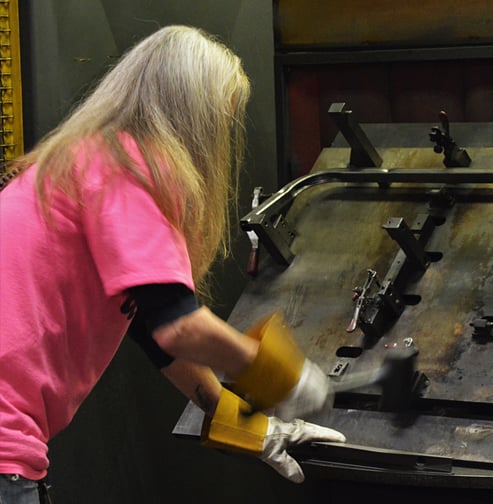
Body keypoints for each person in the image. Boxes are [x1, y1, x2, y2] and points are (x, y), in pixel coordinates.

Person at [0, 25, 344, 503]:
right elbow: (179, 326)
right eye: (220, 122)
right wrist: (290, 379)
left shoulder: (80, 163)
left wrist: (252, 426)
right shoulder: (126, 166)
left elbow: (153, 328)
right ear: (192, 115)